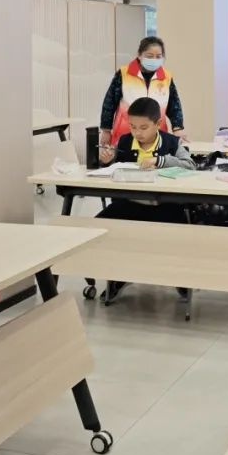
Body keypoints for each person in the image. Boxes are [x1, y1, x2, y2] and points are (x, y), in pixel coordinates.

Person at [96, 97, 195, 303]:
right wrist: (107, 160)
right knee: (100, 225)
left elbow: (190, 165)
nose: (137, 133)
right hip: (129, 205)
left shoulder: (171, 142)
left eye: (143, 127)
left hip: (164, 207)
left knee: (179, 233)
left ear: (158, 124)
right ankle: (116, 275)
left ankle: (181, 278)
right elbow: (111, 169)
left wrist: (160, 160)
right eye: (132, 127)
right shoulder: (124, 142)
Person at [99, 36, 186, 164]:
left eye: (158, 56)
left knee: (155, 165)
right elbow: (109, 103)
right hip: (126, 133)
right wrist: (106, 130)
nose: (154, 60)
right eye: (150, 56)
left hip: (155, 133)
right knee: (122, 165)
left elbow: (174, 104)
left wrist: (177, 128)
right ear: (139, 55)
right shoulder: (124, 74)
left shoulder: (166, 77)